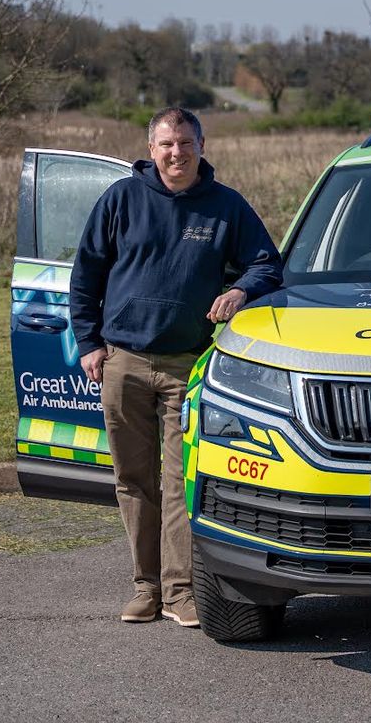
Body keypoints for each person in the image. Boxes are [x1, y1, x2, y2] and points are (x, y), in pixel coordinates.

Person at [70, 107, 282, 627]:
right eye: (166, 144)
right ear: (152, 148)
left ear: (201, 145)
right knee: (133, 479)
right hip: (123, 361)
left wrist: (239, 290)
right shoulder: (121, 199)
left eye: (185, 143)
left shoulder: (226, 206)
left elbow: (267, 264)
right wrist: (89, 342)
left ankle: (181, 591)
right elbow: (87, 273)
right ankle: (145, 586)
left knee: (180, 480)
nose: (176, 153)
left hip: (188, 365)